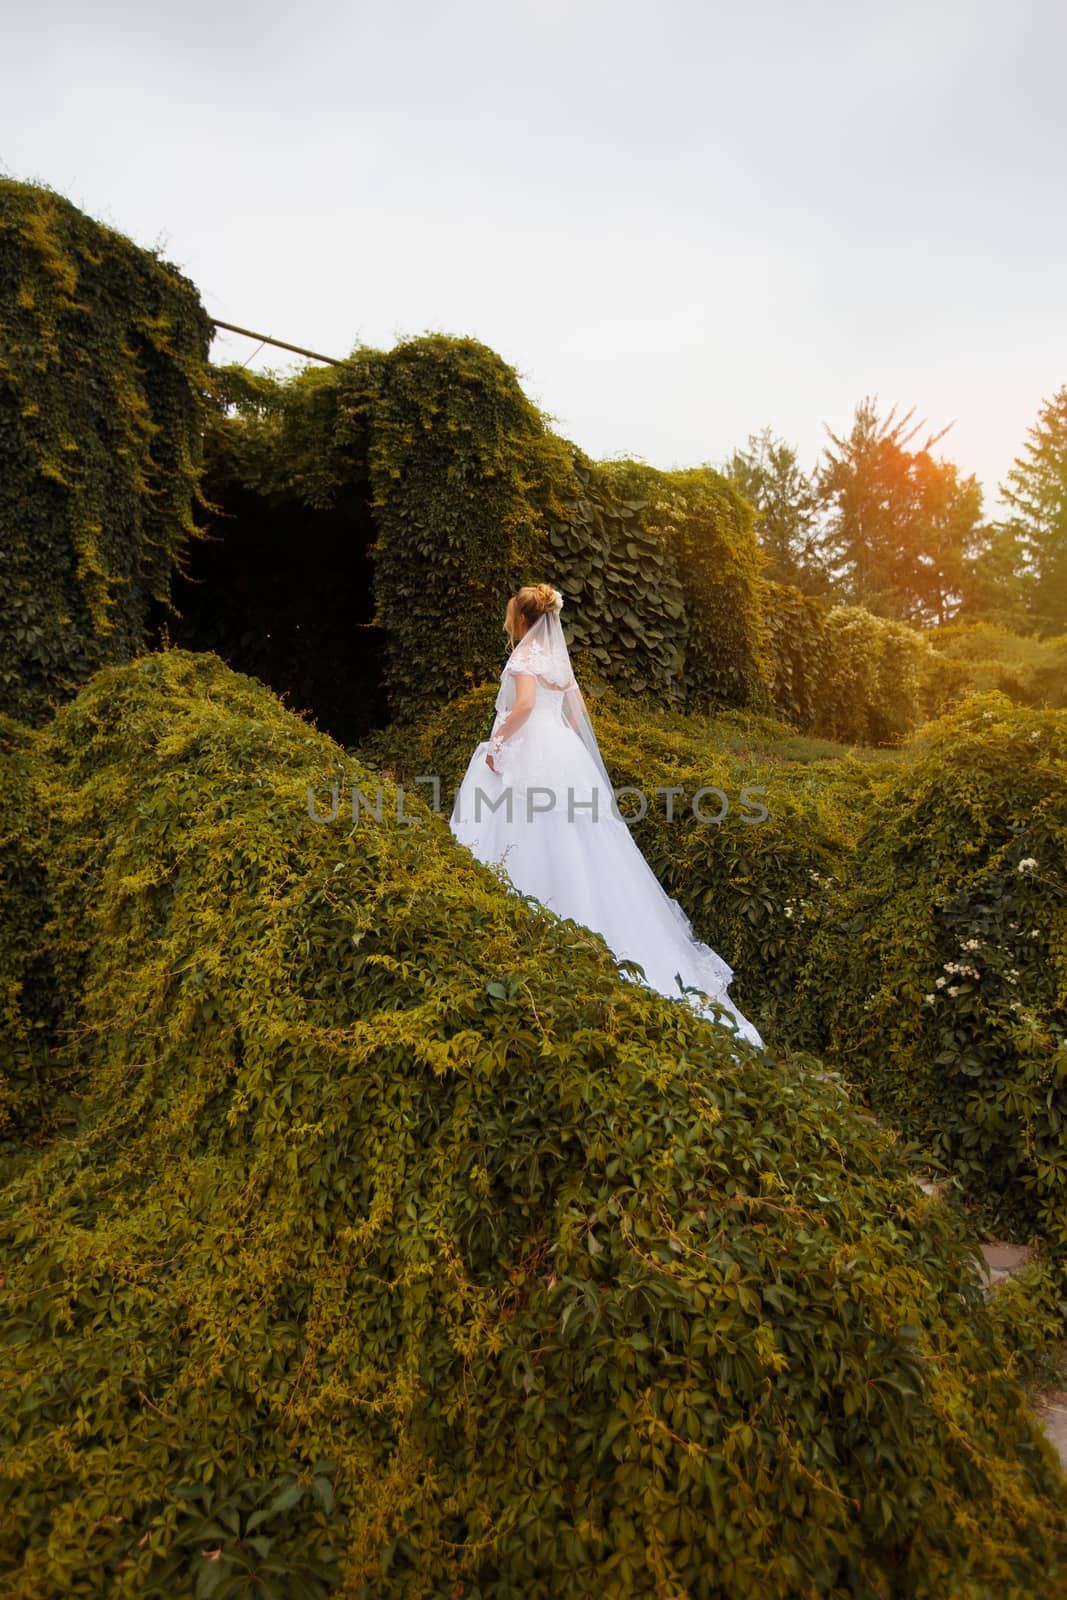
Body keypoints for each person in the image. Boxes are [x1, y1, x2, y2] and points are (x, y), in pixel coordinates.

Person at [449, 583, 765, 1052]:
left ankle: (527, 932)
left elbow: (524, 707)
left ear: (521, 620)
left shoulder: (521, 660)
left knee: (520, 834)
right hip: (565, 757)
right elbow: (577, 715)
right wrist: (570, 757)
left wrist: (497, 747)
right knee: (584, 845)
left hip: (528, 756)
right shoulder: (560, 662)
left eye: (511, 611)